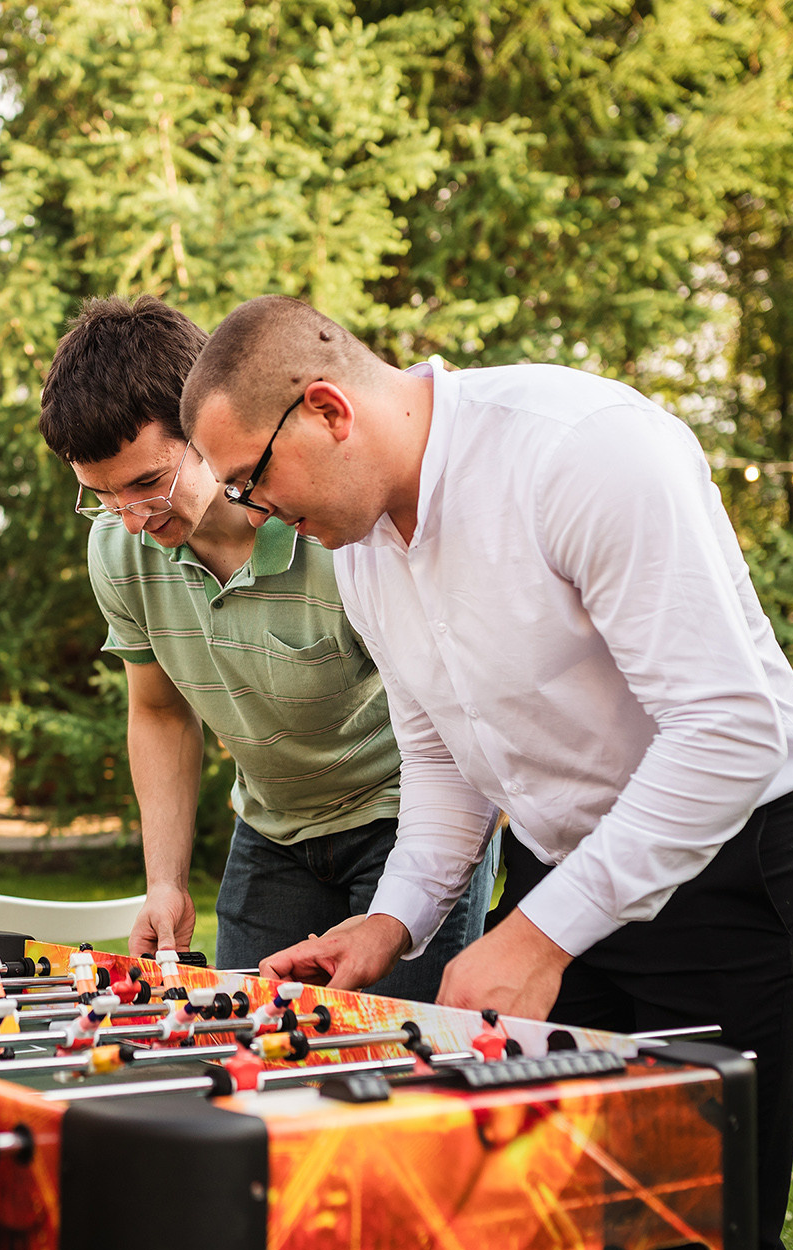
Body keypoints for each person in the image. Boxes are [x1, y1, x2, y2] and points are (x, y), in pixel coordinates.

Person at [182, 295, 793, 1250]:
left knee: (695, 1233)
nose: (249, 510)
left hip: (732, 851)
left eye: (248, 479)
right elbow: (444, 758)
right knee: (560, 1217)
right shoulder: (354, 549)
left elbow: (726, 731)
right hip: (560, 858)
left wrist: (535, 935)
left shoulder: (581, 451)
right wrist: (388, 920)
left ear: (325, 410)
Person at [36, 295, 493, 997]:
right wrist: (165, 881)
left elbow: (451, 712)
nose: (129, 520)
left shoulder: (336, 529)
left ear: (206, 429)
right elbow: (158, 711)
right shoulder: (119, 551)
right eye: (100, 495)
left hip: (406, 817)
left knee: (399, 1054)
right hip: (274, 830)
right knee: (246, 1045)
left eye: (146, 484)